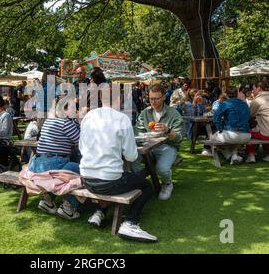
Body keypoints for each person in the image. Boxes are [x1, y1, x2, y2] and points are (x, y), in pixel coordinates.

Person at [79, 90, 157, 242]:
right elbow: (132, 156)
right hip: (108, 181)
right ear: (120, 100)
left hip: (86, 180)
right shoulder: (122, 119)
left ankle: (99, 212)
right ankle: (130, 223)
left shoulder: (88, 116)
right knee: (146, 186)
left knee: (117, 178)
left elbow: (82, 148)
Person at [29, 98, 81, 220]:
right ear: (65, 110)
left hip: (37, 165)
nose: (76, 110)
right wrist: (79, 121)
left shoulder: (50, 120)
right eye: (74, 107)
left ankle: (47, 200)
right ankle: (67, 207)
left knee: (69, 169)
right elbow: (81, 141)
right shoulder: (65, 123)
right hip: (51, 165)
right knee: (84, 171)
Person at [134, 84, 185, 200]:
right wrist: (143, 135)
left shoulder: (174, 114)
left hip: (167, 147)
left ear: (163, 97)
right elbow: (137, 131)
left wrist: (168, 130)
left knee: (161, 168)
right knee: (131, 159)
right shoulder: (145, 113)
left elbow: (180, 137)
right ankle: (139, 183)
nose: (153, 102)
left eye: (156, 98)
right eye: (151, 99)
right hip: (147, 146)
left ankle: (167, 183)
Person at [211, 87, 251, 165]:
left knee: (212, 138)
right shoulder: (244, 104)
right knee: (233, 139)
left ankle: (230, 156)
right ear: (237, 94)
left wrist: (219, 128)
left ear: (226, 94)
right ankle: (235, 155)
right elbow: (248, 117)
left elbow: (216, 117)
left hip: (231, 134)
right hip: (246, 135)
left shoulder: (225, 103)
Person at [245, 81, 269, 163]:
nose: (252, 91)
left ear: (258, 88)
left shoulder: (257, 100)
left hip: (266, 134)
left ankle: (251, 155)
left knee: (247, 133)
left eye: (253, 89)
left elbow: (249, 115)